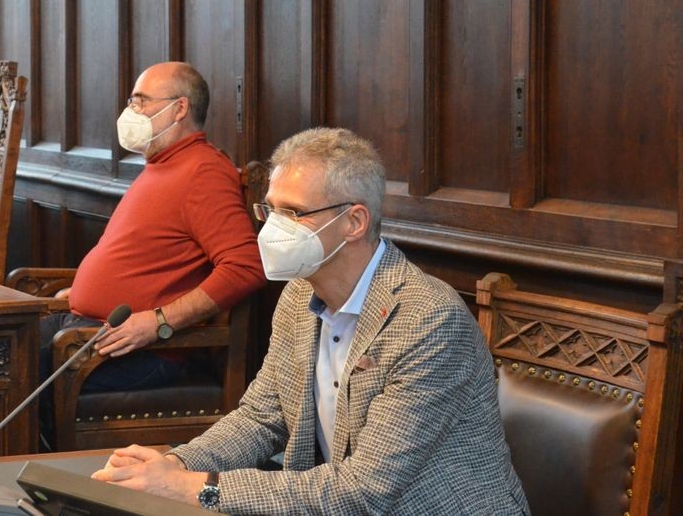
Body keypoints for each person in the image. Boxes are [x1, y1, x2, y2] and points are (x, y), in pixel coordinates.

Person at [91, 127, 528, 515]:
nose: (272, 230)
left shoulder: (427, 320)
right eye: (270, 211)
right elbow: (261, 418)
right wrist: (179, 463)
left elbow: (364, 493)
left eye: (293, 214)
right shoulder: (301, 294)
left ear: (354, 222)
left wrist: (198, 488)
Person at [40, 62, 264, 417]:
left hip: (141, 351)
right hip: (88, 328)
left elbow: (246, 267)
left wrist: (158, 321)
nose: (131, 112)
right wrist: (84, 291)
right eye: (132, 102)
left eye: (141, 102)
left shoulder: (203, 171)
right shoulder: (162, 164)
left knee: (8, 376)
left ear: (180, 108)